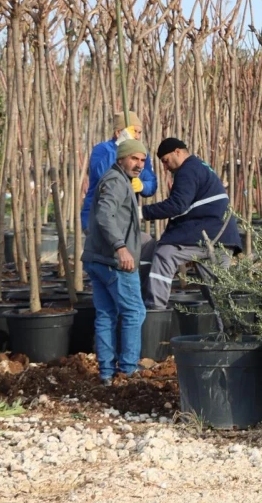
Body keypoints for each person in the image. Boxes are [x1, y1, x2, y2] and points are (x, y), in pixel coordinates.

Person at [142, 138, 242, 309]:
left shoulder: (187, 170)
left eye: (166, 161)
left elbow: (177, 205)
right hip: (224, 237)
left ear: (177, 152)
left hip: (210, 235)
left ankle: (154, 310)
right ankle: (230, 328)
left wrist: (142, 212)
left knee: (165, 253)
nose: (165, 167)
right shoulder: (199, 166)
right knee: (217, 295)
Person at [81, 139, 148, 385]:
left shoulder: (120, 180)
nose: (139, 164)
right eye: (134, 158)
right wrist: (121, 247)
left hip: (98, 258)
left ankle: (107, 373)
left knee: (107, 314)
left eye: (142, 160)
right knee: (134, 311)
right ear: (121, 159)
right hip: (113, 261)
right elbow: (104, 215)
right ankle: (129, 369)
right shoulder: (115, 182)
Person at [81, 111, 157, 232]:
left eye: (139, 132)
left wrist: (143, 186)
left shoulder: (141, 155)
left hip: (125, 220)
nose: (137, 136)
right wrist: (120, 147)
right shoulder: (102, 149)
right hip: (97, 218)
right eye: (134, 132)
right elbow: (101, 174)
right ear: (118, 133)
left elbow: (151, 183)